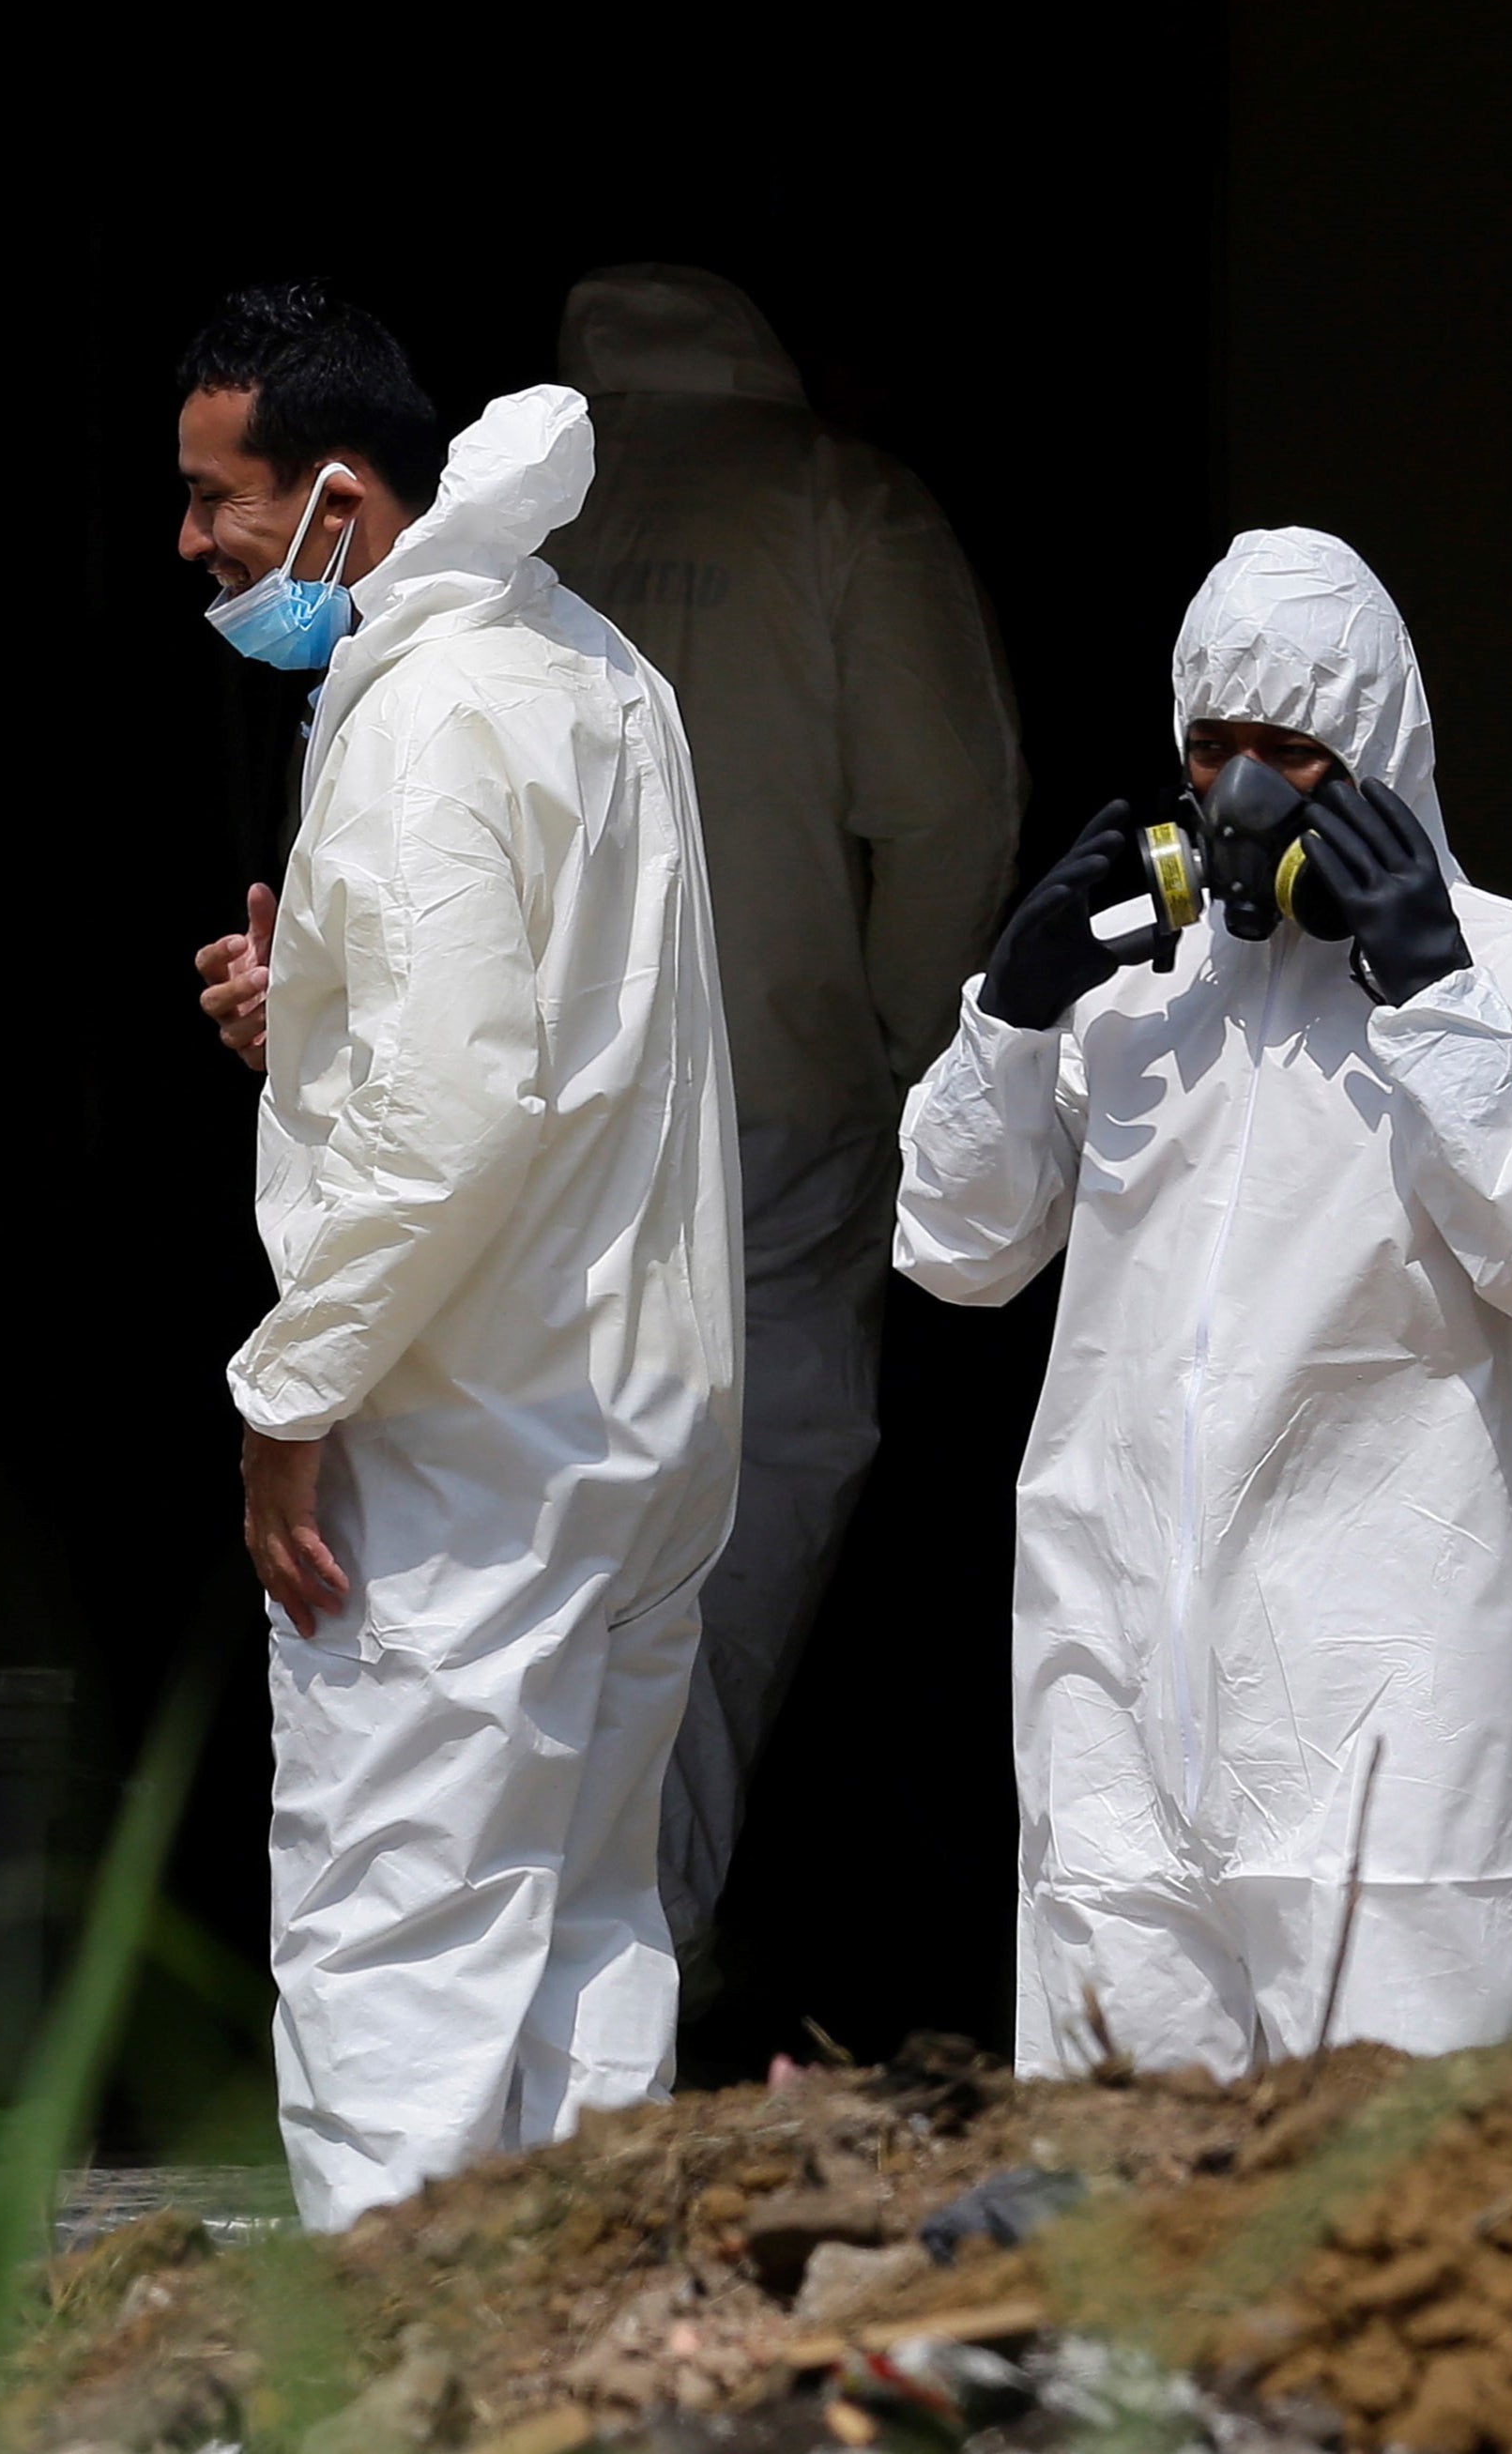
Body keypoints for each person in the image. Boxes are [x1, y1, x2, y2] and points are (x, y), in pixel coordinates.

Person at [894, 526, 1512, 2079]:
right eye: (1213, 746)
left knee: (1389, 2236)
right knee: (1118, 2221)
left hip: (1387, 1737)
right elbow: (953, 1245)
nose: (1244, 791)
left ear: (1379, 751)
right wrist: (1010, 1009)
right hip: (1114, 1718)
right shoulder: (1135, 992)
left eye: (1294, 750)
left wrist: (1441, 1002)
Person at [176, 284, 742, 2230]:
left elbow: (458, 1114)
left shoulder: (423, 713)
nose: (193, 549)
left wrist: (285, 1396)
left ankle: (388, 2387)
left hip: (467, 1441)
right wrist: (309, 1011)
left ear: (335, 499)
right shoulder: (578, 664)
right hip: (630, 1421)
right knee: (585, 1941)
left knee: (397, 1951)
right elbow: (551, 1030)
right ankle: (579, 2388)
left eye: (214, 501)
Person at [539, 265, 1024, 1962]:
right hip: (768, 1113)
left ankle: (523, 1993)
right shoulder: (837, 500)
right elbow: (951, 811)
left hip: (515, 1139)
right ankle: (637, 1955)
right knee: (726, 1539)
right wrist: (908, 1060)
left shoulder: (512, 516)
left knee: (524, 1560)